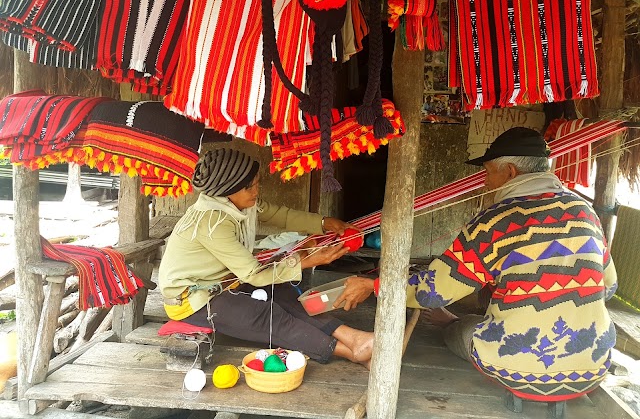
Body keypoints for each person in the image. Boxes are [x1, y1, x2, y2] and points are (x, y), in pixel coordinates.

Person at [335, 127, 618, 400]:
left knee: (461, 329)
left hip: (517, 370)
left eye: (487, 172)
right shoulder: (585, 211)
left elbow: (434, 292)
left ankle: (454, 323)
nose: (485, 182)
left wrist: (374, 285)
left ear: (510, 172)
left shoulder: (496, 220)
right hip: (593, 365)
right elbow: (608, 287)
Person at [159, 148, 373, 367]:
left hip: (224, 283)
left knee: (284, 294)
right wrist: (309, 260)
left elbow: (280, 215)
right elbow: (255, 275)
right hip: (193, 301)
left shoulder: (238, 204)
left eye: (256, 183)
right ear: (227, 191)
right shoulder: (212, 224)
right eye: (249, 187)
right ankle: (351, 352)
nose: (256, 190)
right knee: (267, 316)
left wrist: (324, 223)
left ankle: (354, 338)